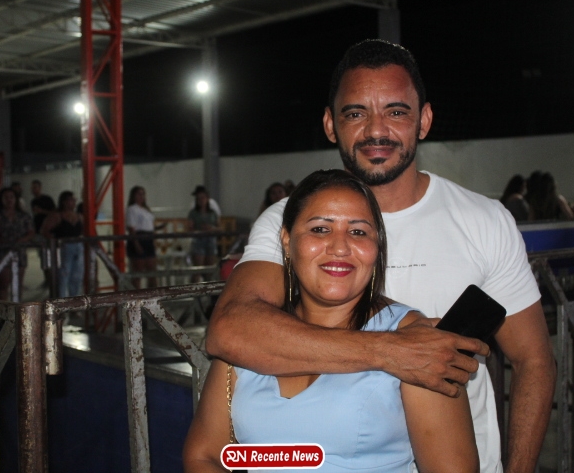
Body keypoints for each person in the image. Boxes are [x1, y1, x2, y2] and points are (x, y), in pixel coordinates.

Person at [207, 40, 556, 473]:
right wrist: (392, 352)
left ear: (424, 120)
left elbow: (533, 360)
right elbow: (230, 328)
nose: (376, 130)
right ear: (330, 124)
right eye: (356, 113)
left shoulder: (484, 220)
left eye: (396, 112)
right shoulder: (289, 220)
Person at [185, 170, 478, 472]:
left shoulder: (416, 341)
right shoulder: (252, 334)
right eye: (320, 229)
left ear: (377, 247)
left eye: (358, 232)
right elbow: (204, 455)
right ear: (287, 241)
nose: (340, 247)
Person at [0, 187, 34, 301]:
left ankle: (18, 309)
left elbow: (31, 232)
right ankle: (3, 310)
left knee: (18, 285)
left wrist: (21, 241)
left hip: (19, 253)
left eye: (11, 197)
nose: (9, 200)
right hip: (1, 254)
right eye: (6, 197)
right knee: (3, 286)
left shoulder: (24, 216)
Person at [41, 190, 84, 297]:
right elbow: (44, 231)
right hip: (63, 248)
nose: (74, 202)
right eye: (71, 200)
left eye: (74, 200)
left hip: (77, 247)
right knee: (63, 275)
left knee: (77, 276)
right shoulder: (56, 216)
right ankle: (62, 300)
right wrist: (56, 242)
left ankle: (75, 300)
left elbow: (83, 231)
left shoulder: (79, 216)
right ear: (64, 202)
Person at [126, 186, 158, 289]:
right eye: (139, 194)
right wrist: (136, 244)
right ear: (133, 196)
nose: (141, 196)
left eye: (143, 194)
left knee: (152, 272)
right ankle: (136, 295)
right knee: (138, 272)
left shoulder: (146, 209)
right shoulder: (132, 209)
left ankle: (152, 295)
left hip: (149, 238)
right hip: (139, 238)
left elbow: (150, 226)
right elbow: (131, 228)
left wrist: (153, 240)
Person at [188, 185, 220, 279]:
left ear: (207, 199)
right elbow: (190, 228)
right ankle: (195, 287)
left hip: (211, 240)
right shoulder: (193, 213)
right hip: (199, 240)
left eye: (203, 198)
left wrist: (211, 228)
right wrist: (199, 230)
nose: (201, 200)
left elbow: (219, 227)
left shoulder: (212, 213)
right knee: (198, 269)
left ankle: (208, 287)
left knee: (209, 270)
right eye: (199, 198)